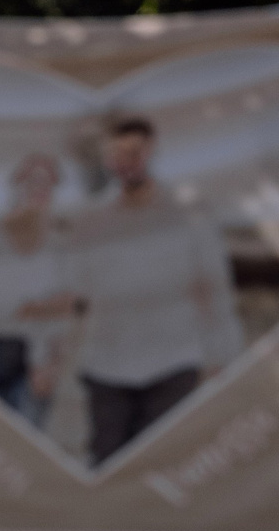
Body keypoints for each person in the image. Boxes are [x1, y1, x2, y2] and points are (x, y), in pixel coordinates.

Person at [68, 114, 244, 463]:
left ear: (151, 152)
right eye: (117, 153)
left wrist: (224, 359)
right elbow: (75, 293)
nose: (126, 162)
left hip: (173, 362)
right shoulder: (89, 219)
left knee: (163, 466)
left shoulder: (189, 212)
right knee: (106, 466)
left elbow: (214, 288)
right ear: (107, 159)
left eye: (135, 152)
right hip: (106, 365)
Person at [0, 151, 76, 430]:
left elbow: (64, 311)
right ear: (16, 184)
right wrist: (35, 308)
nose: (40, 189)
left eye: (49, 182)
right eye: (32, 180)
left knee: (24, 450)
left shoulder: (59, 247)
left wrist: (50, 363)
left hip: (36, 360)